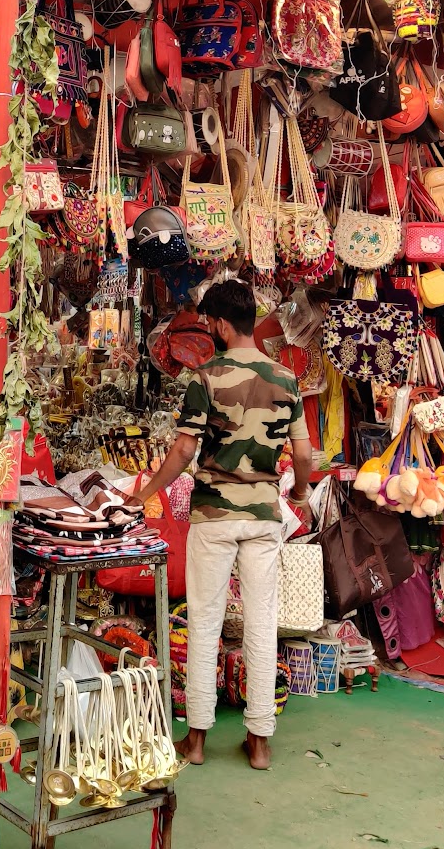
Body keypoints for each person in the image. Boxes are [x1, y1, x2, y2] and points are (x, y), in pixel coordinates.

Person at [133, 280, 313, 772]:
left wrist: (144, 494)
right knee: (261, 624)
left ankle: (194, 741)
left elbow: (185, 451)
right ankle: (258, 741)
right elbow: (302, 454)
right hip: (263, 518)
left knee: (206, 624)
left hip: (213, 516)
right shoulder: (284, 378)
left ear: (216, 323)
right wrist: (298, 496)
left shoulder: (205, 377)